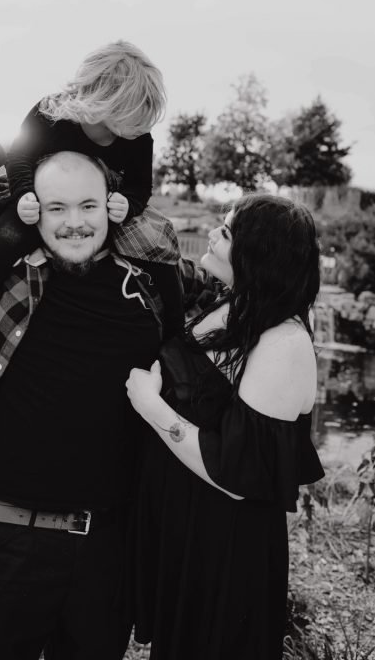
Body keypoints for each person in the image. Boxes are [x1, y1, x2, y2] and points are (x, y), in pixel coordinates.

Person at [0, 141, 208, 660]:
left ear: (111, 205)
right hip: (9, 540)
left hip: (106, 549)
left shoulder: (151, 281)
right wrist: (22, 147)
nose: (74, 223)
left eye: (88, 206)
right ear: (33, 210)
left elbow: (241, 288)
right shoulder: (0, 263)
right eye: (56, 207)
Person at [125, 193, 325, 660]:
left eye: (227, 232)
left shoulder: (285, 343)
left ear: (259, 255)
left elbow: (238, 477)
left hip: (225, 550)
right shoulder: (234, 303)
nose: (213, 235)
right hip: (186, 530)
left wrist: (151, 407)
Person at [0, 39, 183, 383]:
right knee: (3, 240)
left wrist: (128, 204)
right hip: (40, 194)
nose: (135, 128)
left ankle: (176, 337)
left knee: (158, 245)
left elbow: (142, 185)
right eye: (129, 116)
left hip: (106, 203)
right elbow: (19, 156)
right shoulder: (50, 111)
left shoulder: (138, 135)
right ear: (104, 99)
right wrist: (25, 196)